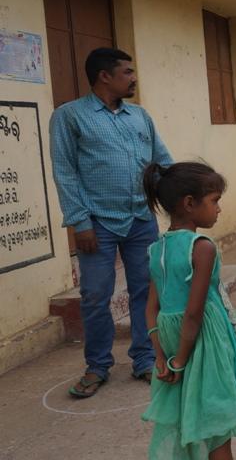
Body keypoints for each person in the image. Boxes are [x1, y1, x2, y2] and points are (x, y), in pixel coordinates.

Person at [50, 47, 173, 398]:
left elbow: (161, 163)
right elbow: (65, 172)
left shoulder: (140, 116)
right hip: (97, 223)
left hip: (140, 219)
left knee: (146, 290)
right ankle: (98, 365)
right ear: (105, 76)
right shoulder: (69, 116)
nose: (134, 78)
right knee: (94, 295)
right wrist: (80, 222)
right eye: (127, 72)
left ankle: (145, 359)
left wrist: (183, 195)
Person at [141, 162, 236, 459]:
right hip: (202, 343)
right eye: (214, 201)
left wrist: (161, 356)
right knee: (216, 426)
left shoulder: (156, 249)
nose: (219, 209)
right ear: (189, 204)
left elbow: (150, 309)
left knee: (186, 418)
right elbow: (194, 313)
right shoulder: (202, 247)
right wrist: (181, 359)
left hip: (171, 341)